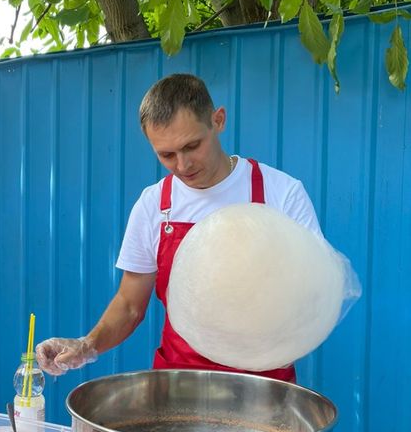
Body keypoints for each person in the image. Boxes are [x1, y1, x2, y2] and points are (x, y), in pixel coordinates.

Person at [36, 73, 322, 383]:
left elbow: (313, 292)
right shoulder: (155, 204)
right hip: (178, 388)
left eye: (192, 146)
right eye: (167, 155)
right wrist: (85, 345)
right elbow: (130, 305)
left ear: (218, 120)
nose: (183, 165)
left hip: (264, 389)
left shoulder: (280, 194)